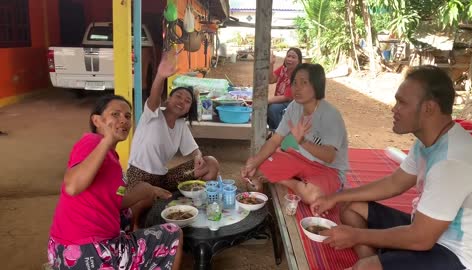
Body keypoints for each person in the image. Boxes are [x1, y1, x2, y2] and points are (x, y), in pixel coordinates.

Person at [310, 66, 472, 270]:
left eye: (402, 102)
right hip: (426, 228)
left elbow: (421, 239)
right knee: (352, 206)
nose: (394, 108)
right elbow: (394, 183)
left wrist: (356, 235)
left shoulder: (452, 163)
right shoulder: (428, 141)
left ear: (429, 108)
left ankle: (370, 264)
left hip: (456, 254)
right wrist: (336, 197)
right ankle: (372, 260)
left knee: (365, 267)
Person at [48, 95, 183, 270]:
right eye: (115, 114)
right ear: (97, 120)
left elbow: (113, 201)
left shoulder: (110, 156)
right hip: (89, 252)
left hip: (64, 249)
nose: (123, 120)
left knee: (127, 213)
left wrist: (148, 190)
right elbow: (72, 187)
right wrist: (107, 141)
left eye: (127, 116)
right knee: (174, 233)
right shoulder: (92, 142)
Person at [241, 63, 349, 204]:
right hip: (298, 158)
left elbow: (329, 156)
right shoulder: (294, 106)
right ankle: (293, 185)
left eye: (304, 83)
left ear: (317, 86)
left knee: (313, 196)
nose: (297, 88)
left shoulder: (331, 115)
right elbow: (275, 140)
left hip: (328, 169)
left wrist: (302, 142)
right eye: (294, 83)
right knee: (254, 175)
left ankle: (285, 180)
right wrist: (254, 162)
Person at [127, 51, 219, 192]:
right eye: (178, 96)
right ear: (168, 99)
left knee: (210, 163)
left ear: (189, 109)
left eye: (187, 101)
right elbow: (154, 96)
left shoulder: (181, 126)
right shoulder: (152, 113)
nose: (182, 101)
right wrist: (160, 76)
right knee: (146, 198)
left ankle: (203, 200)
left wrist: (198, 157)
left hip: (162, 178)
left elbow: (194, 149)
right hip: (139, 177)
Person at [267, 47, 302, 130]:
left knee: (273, 108)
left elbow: (286, 97)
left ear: (299, 61)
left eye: (293, 57)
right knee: (266, 107)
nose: (290, 59)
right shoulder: (284, 69)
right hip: (284, 101)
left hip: (295, 103)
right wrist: (271, 64)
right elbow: (271, 80)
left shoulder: (299, 75)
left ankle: (283, 134)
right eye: (288, 56)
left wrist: (266, 100)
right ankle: (273, 131)